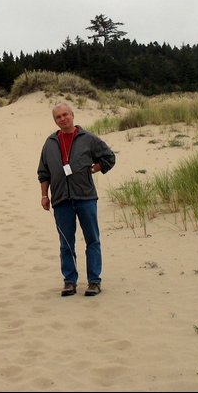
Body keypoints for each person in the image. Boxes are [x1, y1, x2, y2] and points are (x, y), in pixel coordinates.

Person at [37, 102, 116, 297]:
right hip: (61, 199)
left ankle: (94, 282)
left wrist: (92, 169)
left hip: (85, 197)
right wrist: (44, 196)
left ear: (72, 115)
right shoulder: (50, 143)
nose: (63, 119)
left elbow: (108, 158)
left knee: (92, 240)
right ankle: (70, 281)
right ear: (55, 121)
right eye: (58, 117)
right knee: (66, 243)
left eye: (65, 115)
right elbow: (43, 172)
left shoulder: (88, 139)